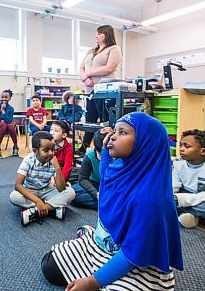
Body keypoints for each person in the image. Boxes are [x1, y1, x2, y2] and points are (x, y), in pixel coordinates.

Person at [42, 112, 183, 290]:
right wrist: (107, 150)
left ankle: (101, 269)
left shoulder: (150, 201)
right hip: (104, 247)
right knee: (50, 265)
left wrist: (93, 281)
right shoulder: (119, 169)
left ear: (145, 143)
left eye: (122, 132)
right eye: (114, 131)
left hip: (137, 261)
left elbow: (132, 254)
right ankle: (92, 239)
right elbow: (106, 173)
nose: (114, 136)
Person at [10, 131, 75, 226]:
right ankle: (52, 209)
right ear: (35, 151)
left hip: (46, 190)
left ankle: (36, 211)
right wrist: (37, 201)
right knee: (14, 196)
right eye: (46, 150)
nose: (51, 153)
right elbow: (18, 185)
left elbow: (61, 188)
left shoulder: (53, 161)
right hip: (30, 191)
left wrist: (57, 167)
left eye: (53, 149)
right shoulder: (28, 160)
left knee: (70, 192)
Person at [79, 25, 122, 156]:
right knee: (90, 120)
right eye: (96, 34)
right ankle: (84, 147)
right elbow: (81, 67)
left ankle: (105, 148)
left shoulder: (114, 49)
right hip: (89, 90)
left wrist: (88, 74)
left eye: (99, 34)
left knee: (105, 121)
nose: (96, 36)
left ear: (106, 34)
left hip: (104, 90)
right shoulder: (91, 51)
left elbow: (109, 68)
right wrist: (84, 77)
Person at [70, 129, 107, 210]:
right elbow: (82, 178)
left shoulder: (117, 156)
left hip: (110, 186)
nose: (102, 158)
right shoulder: (90, 155)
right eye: (100, 154)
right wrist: (96, 194)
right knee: (72, 194)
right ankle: (107, 204)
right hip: (94, 184)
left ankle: (107, 203)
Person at [0, 89, 19, 158]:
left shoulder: (11, 108)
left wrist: (3, 111)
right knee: (4, 124)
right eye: (2, 97)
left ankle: (15, 145)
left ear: (10, 98)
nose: (4, 99)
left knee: (10, 125)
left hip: (6, 127)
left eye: (6, 97)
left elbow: (9, 121)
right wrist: (0, 120)